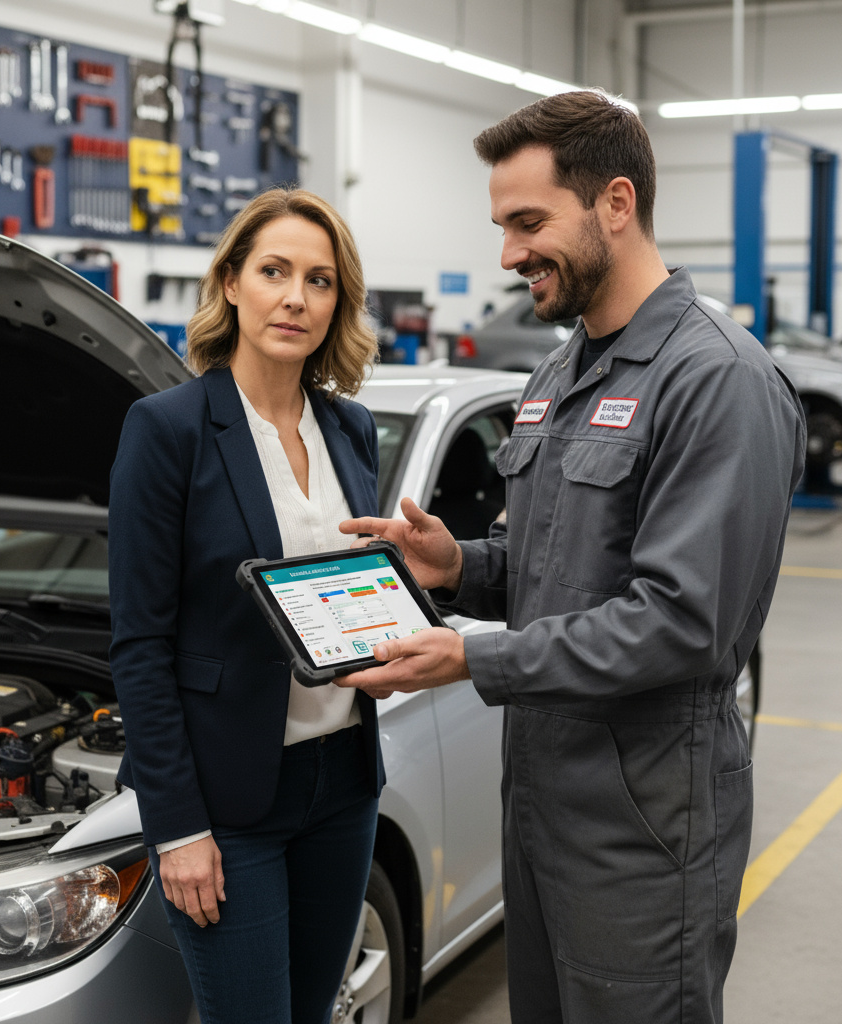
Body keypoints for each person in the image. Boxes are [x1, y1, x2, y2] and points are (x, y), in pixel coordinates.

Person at [336, 90, 806, 1024]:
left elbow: (682, 625)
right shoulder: (561, 372)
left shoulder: (718, 381)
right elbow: (549, 562)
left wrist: (473, 657)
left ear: (616, 204)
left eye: (527, 222)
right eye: (502, 225)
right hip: (541, 806)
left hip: (645, 829)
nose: (508, 254)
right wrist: (459, 565)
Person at [108, 187, 384, 1024]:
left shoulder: (352, 428)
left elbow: (354, 590)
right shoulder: (169, 429)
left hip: (343, 784)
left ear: (340, 302)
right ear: (231, 283)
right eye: (274, 271)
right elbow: (140, 646)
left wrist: (392, 647)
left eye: (320, 279)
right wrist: (177, 828)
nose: (296, 297)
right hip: (227, 803)